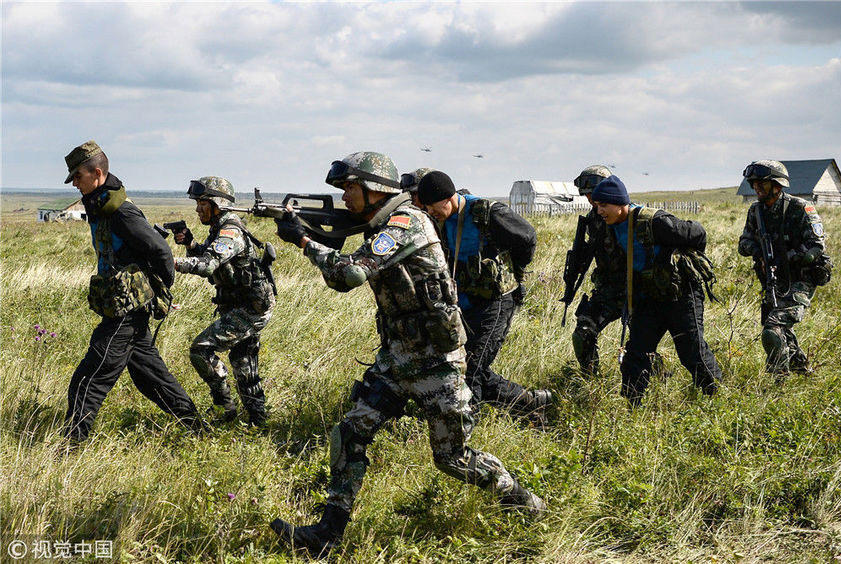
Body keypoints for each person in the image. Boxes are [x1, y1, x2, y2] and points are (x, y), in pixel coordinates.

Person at [270, 152, 545, 556]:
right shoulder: (382, 223)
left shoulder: (404, 223)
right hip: (398, 358)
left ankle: (524, 503)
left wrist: (303, 240)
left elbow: (348, 274)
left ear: (374, 188)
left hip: (436, 360)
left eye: (349, 188)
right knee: (349, 433)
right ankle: (327, 535)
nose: (345, 196)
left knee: (451, 458)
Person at [63, 140, 202, 442]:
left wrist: (161, 291)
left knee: (90, 377)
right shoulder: (103, 207)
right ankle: (197, 428)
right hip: (125, 308)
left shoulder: (122, 213)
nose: (75, 183)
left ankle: (69, 445)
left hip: (126, 312)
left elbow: (161, 251)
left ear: (96, 173)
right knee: (151, 377)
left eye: (78, 177)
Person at [416, 171, 552, 423]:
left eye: (433, 208)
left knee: (472, 369)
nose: (431, 213)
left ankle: (468, 430)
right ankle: (530, 403)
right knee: (461, 366)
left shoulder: (487, 213)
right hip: (465, 303)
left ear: (448, 198)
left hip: (497, 301)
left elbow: (527, 237)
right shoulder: (441, 219)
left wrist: (511, 269)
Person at [590, 175, 722, 405]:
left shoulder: (655, 221)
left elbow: (698, 234)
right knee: (636, 356)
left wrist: (676, 260)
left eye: (604, 205)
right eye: (597, 205)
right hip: (648, 299)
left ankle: (716, 398)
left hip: (681, 295)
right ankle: (633, 406)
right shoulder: (610, 227)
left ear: (620, 203)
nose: (599, 211)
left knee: (692, 352)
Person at [173, 177, 276, 426]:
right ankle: (257, 420)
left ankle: (225, 407)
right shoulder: (219, 228)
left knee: (201, 350)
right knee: (243, 361)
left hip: (250, 308)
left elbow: (208, 265)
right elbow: (208, 254)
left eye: (202, 203)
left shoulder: (230, 230)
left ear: (217, 204)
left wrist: (170, 262)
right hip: (245, 304)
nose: (198, 209)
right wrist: (190, 243)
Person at [569, 165, 670, 378]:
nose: (590, 199)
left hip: (636, 290)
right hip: (607, 290)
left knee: (641, 345)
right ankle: (591, 382)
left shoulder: (632, 216)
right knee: (583, 333)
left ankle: (660, 378)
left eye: (593, 194)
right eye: (587, 195)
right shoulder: (593, 220)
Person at [738, 160, 830, 378]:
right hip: (774, 279)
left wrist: (785, 258)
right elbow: (743, 244)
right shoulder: (756, 211)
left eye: (762, 183)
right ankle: (803, 372)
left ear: (777, 185)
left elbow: (816, 246)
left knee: (773, 329)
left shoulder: (800, 208)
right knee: (779, 328)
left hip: (802, 278)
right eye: (753, 183)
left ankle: (779, 382)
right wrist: (759, 253)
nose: (756, 187)